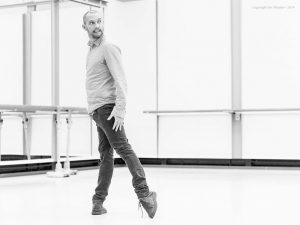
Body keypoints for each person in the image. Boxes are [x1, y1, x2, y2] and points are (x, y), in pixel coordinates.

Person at [82, 10, 157, 218]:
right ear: (85, 27)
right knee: (106, 155)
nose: (96, 25)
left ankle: (145, 195)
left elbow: (121, 80)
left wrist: (120, 110)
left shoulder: (108, 47)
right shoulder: (92, 50)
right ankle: (98, 202)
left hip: (108, 108)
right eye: (91, 22)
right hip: (97, 111)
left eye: (99, 21)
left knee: (123, 149)